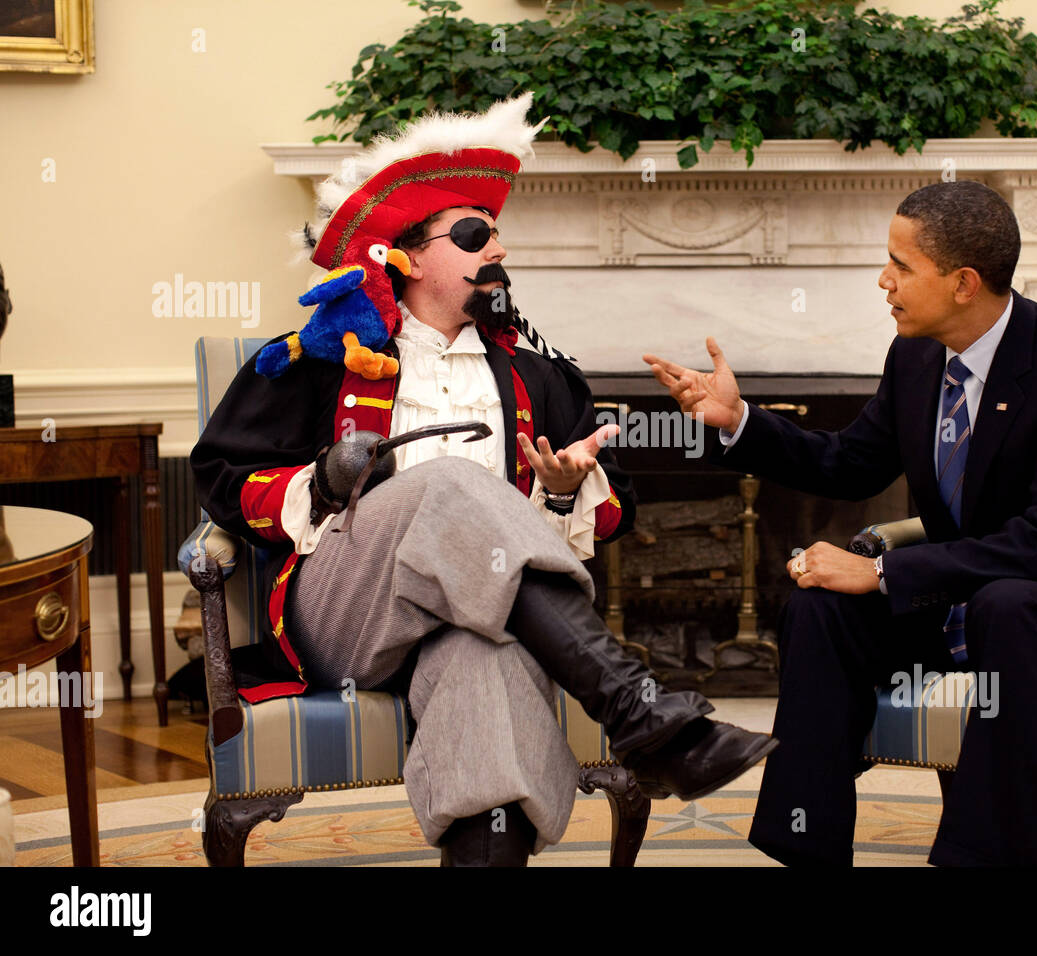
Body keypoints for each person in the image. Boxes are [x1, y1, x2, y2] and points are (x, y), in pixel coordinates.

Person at [190, 93, 776, 867]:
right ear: (406, 256)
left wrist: (565, 491)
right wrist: (326, 481)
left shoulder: (542, 377)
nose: (496, 248)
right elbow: (220, 475)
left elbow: (612, 517)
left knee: (487, 670)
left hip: (479, 617)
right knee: (451, 485)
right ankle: (637, 706)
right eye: (473, 234)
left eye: (498, 234)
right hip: (347, 613)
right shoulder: (320, 363)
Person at [643, 179, 1037, 866]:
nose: (883, 280)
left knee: (1010, 606)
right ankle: (804, 845)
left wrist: (881, 571)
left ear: (963, 282)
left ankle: (984, 859)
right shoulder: (918, 356)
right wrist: (739, 422)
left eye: (901, 266)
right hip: (967, 594)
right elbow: (850, 464)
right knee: (819, 609)